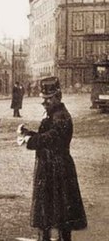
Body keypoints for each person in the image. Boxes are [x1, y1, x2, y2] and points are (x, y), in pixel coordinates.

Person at [17, 77, 87, 241]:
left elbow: (52, 137)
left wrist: (31, 141)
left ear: (58, 97)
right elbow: (46, 136)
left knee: (61, 214)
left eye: (48, 99)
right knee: (48, 212)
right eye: (43, 99)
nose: (45, 102)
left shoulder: (61, 116)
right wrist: (28, 133)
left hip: (58, 169)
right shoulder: (54, 114)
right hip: (50, 167)